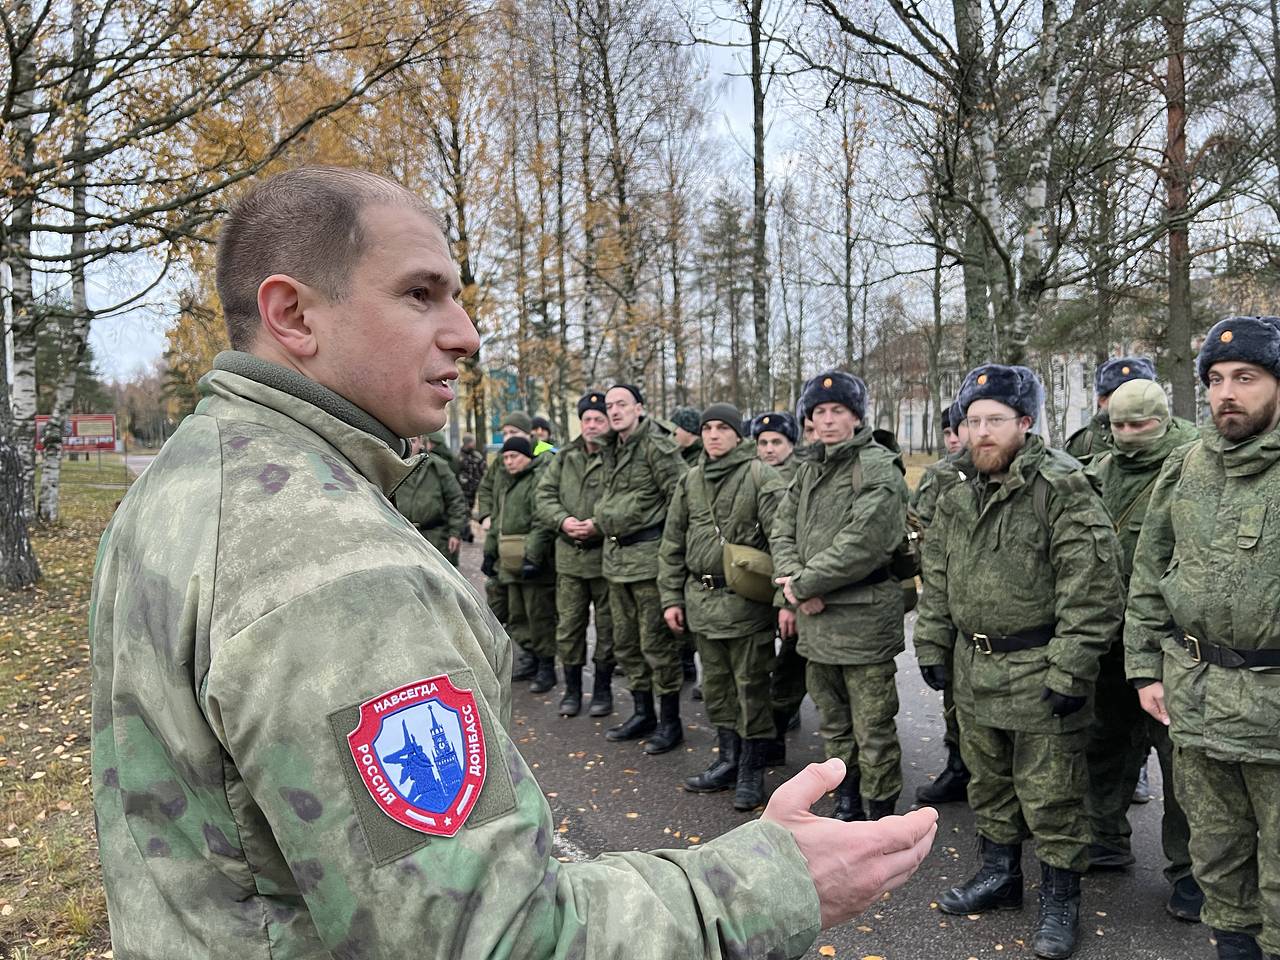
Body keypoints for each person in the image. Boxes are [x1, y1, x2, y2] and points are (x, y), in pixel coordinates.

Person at [89, 167, 940, 958]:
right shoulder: (339, 568)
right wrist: (772, 881)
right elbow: (495, 938)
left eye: (457, 296)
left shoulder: (186, 481)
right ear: (295, 315)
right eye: (420, 294)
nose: (465, 334)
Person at [913, 363, 1126, 960]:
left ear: (1025, 424)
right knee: (989, 783)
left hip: (1039, 670)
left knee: (1053, 796)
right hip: (975, 668)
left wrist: (1071, 669)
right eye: (973, 421)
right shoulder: (957, 490)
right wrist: (931, 645)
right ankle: (1000, 877)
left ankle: (1061, 902)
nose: (982, 432)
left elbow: (1093, 591)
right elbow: (940, 574)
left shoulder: (1060, 487)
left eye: (995, 421)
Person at [1126, 315, 1280, 960]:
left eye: (1245, 378)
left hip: (1274, 712)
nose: (1226, 394)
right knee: (1216, 861)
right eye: (1215, 380)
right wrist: (1144, 667)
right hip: (1197, 698)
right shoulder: (1188, 464)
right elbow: (1150, 567)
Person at [1083, 378, 1202, 919]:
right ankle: (1105, 838)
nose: (1128, 436)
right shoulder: (1098, 471)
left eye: (1141, 426)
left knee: (1180, 762)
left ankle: (1189, 870)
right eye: (1119, 426)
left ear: (1164, 419)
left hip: (1169, 642)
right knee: (1103, 744)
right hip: (1108, 637)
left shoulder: (1194, 464)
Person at [770, 371, 909, 823]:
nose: (827, 421)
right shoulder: (808, 467)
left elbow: (863, 543)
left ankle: (881, 814)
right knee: (833, 722)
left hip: (863, 619)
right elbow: (782, 528)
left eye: (838, 412)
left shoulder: (876, 466)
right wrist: (794, 583)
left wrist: (804, 585)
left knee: (872, 727)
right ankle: (846, 803)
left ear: (856, 416)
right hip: (816, 620)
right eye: (819, 413)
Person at [659, 403, 787, 810]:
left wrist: (785, 599)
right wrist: (671, 598)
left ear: (737, 434)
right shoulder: (691, 479)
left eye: (722, 428)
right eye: (708, 427)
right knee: (715, 687)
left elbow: (783, 539)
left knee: (751, 687)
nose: (713, 434)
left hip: (746, 602)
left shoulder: (759, 476)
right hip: (701, 601)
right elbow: (672, 543)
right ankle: (727, 759)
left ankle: (751, 769)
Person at [597, 383, 689, 754]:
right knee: (627, 644)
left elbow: (680, 501)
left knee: (657, 646)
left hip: (649, 562)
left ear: (639, 407)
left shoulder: (657, 445)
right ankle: (643, 713)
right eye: (610, 405)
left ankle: (670, 722)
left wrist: (671, 555)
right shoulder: (611, 448)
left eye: (622, 404)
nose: (615, 411)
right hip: (617, 562)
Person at [535, 390, 616, 717]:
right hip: (569, 559)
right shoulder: (564, 456)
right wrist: (563, 520)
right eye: (587, 420)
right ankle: (571, 690)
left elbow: (624, 498)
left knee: (609, 629)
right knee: (569, 627)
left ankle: (602, 690)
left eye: (599, 419)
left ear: (609, 423)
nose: (592, 425)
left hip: (605, 559)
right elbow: (544, 497)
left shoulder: (616, 457)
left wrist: (598, 524)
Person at [908, 401, 972, 805]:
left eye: (958, 429)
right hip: (945, 597)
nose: (953, 438)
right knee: (954, 692)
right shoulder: (937, 477)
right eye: (947, 432)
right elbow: (916, 528)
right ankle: (959, 766)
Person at [482, 435, 559, 693]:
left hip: (533, 564)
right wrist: (490, 553)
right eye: (505, 457)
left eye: (514, 456)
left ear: (527, 457)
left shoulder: (537, 480)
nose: (509, 462)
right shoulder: (506, 484)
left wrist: (533, 556)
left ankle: (546, 666)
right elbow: (499, 521)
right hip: (509, 563)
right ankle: (530, 658)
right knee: (517, 615)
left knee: (539, 615)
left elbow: (542, 520)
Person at [750, 410, 806, 757]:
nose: (769, 449)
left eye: (777, 442)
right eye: (763, 442)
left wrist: (789, 599)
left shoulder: (801, 477)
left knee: (789, 659)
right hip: (758, 581)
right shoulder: (754, 475)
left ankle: (782, 721)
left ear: (790, 444)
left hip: (791, 583)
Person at [476, 409, 546, 679]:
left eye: (513, 433)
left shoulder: (542, 461)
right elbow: (487, 491)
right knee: (510, 606)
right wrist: (485, 517)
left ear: (528, 434)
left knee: (535, 609)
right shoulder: (502, 463)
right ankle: (525, 655)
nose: (508, 438)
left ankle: (541, 661)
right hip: (503, 542)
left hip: (529, 547)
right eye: (504, 433)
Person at [1065, 356, 1157, 465]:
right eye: (1122, 395)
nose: (1133, 402)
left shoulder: (1173, 437)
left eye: (1140, 394)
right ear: (1103, 401)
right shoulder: (1084, 443)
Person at [392, 433, 468, 565]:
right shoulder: (392, 466)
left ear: (421, 441)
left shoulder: (438, 466)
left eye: (413, 441)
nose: (409, 446)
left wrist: (455, 533)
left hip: (435, 537)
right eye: (404, 441)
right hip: (403, 537)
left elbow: (456, 500)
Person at [457, 432, 487, 540]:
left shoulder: (477, 456)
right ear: (468, 443)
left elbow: (484, 471)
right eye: (472, 442)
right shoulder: (458, 457)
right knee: (464, 511)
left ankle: (466, 531)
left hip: (473, 490)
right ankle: (466, 533)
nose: (474, 444)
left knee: (468, 510)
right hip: (461, 490)